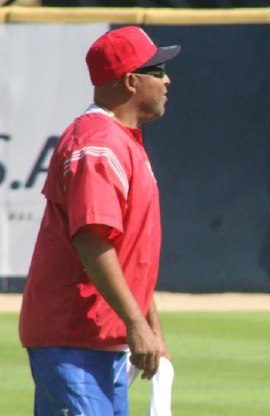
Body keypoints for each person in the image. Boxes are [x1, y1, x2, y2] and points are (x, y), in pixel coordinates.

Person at [18, 26, 180, 415]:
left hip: (95, 340)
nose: (167, 79)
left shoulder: (120, 140)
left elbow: (127, 252)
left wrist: (148, 322)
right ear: (130, 81)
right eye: (157, 70)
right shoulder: (96, 145)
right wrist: (136, 324)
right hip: (74, 338)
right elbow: (92, 240)